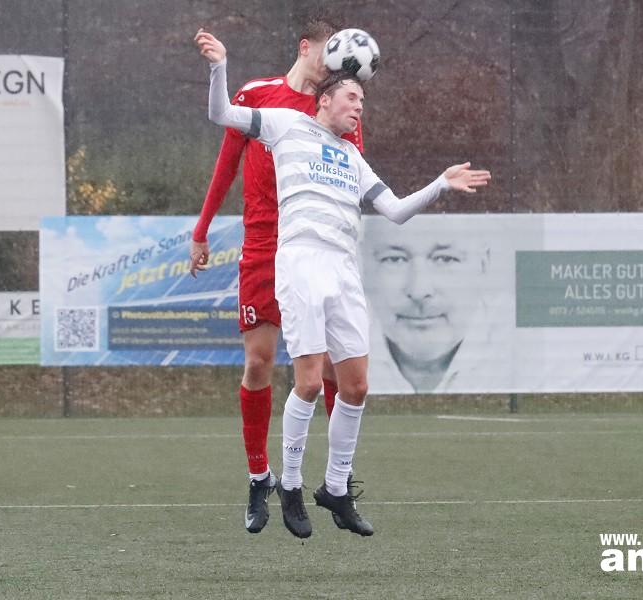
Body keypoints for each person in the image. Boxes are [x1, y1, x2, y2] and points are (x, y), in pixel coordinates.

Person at [195, 29, 491, 538]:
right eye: (352, 98)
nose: (359, 107)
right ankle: (289, 485)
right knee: (308, 381)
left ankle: (335, 487)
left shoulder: (352, 156)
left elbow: (395, 210)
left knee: (355, 386)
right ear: (325, 100)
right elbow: (222, 114)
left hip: (343, 271)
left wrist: (441, 184)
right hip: (301, 264)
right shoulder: (285, 125)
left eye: (362, 101)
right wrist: (220, 65)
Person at [188, 18, 362, 535]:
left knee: (331, 370)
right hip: (264, 245)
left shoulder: (335, 109)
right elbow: (226, 164)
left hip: (314, 250)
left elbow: (353, 176)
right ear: (306, 48)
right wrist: (201, 230)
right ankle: (258, 476)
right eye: (329, 54)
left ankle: (334, 482)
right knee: (259, 362)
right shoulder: (260, 96)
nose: (335, 67)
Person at [361, 216, 498, 393]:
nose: (419, 290)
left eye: (445, 259)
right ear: (362, 264)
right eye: (394, 259)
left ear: (483, 264)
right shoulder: (336, 347)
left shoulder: (525, 355)